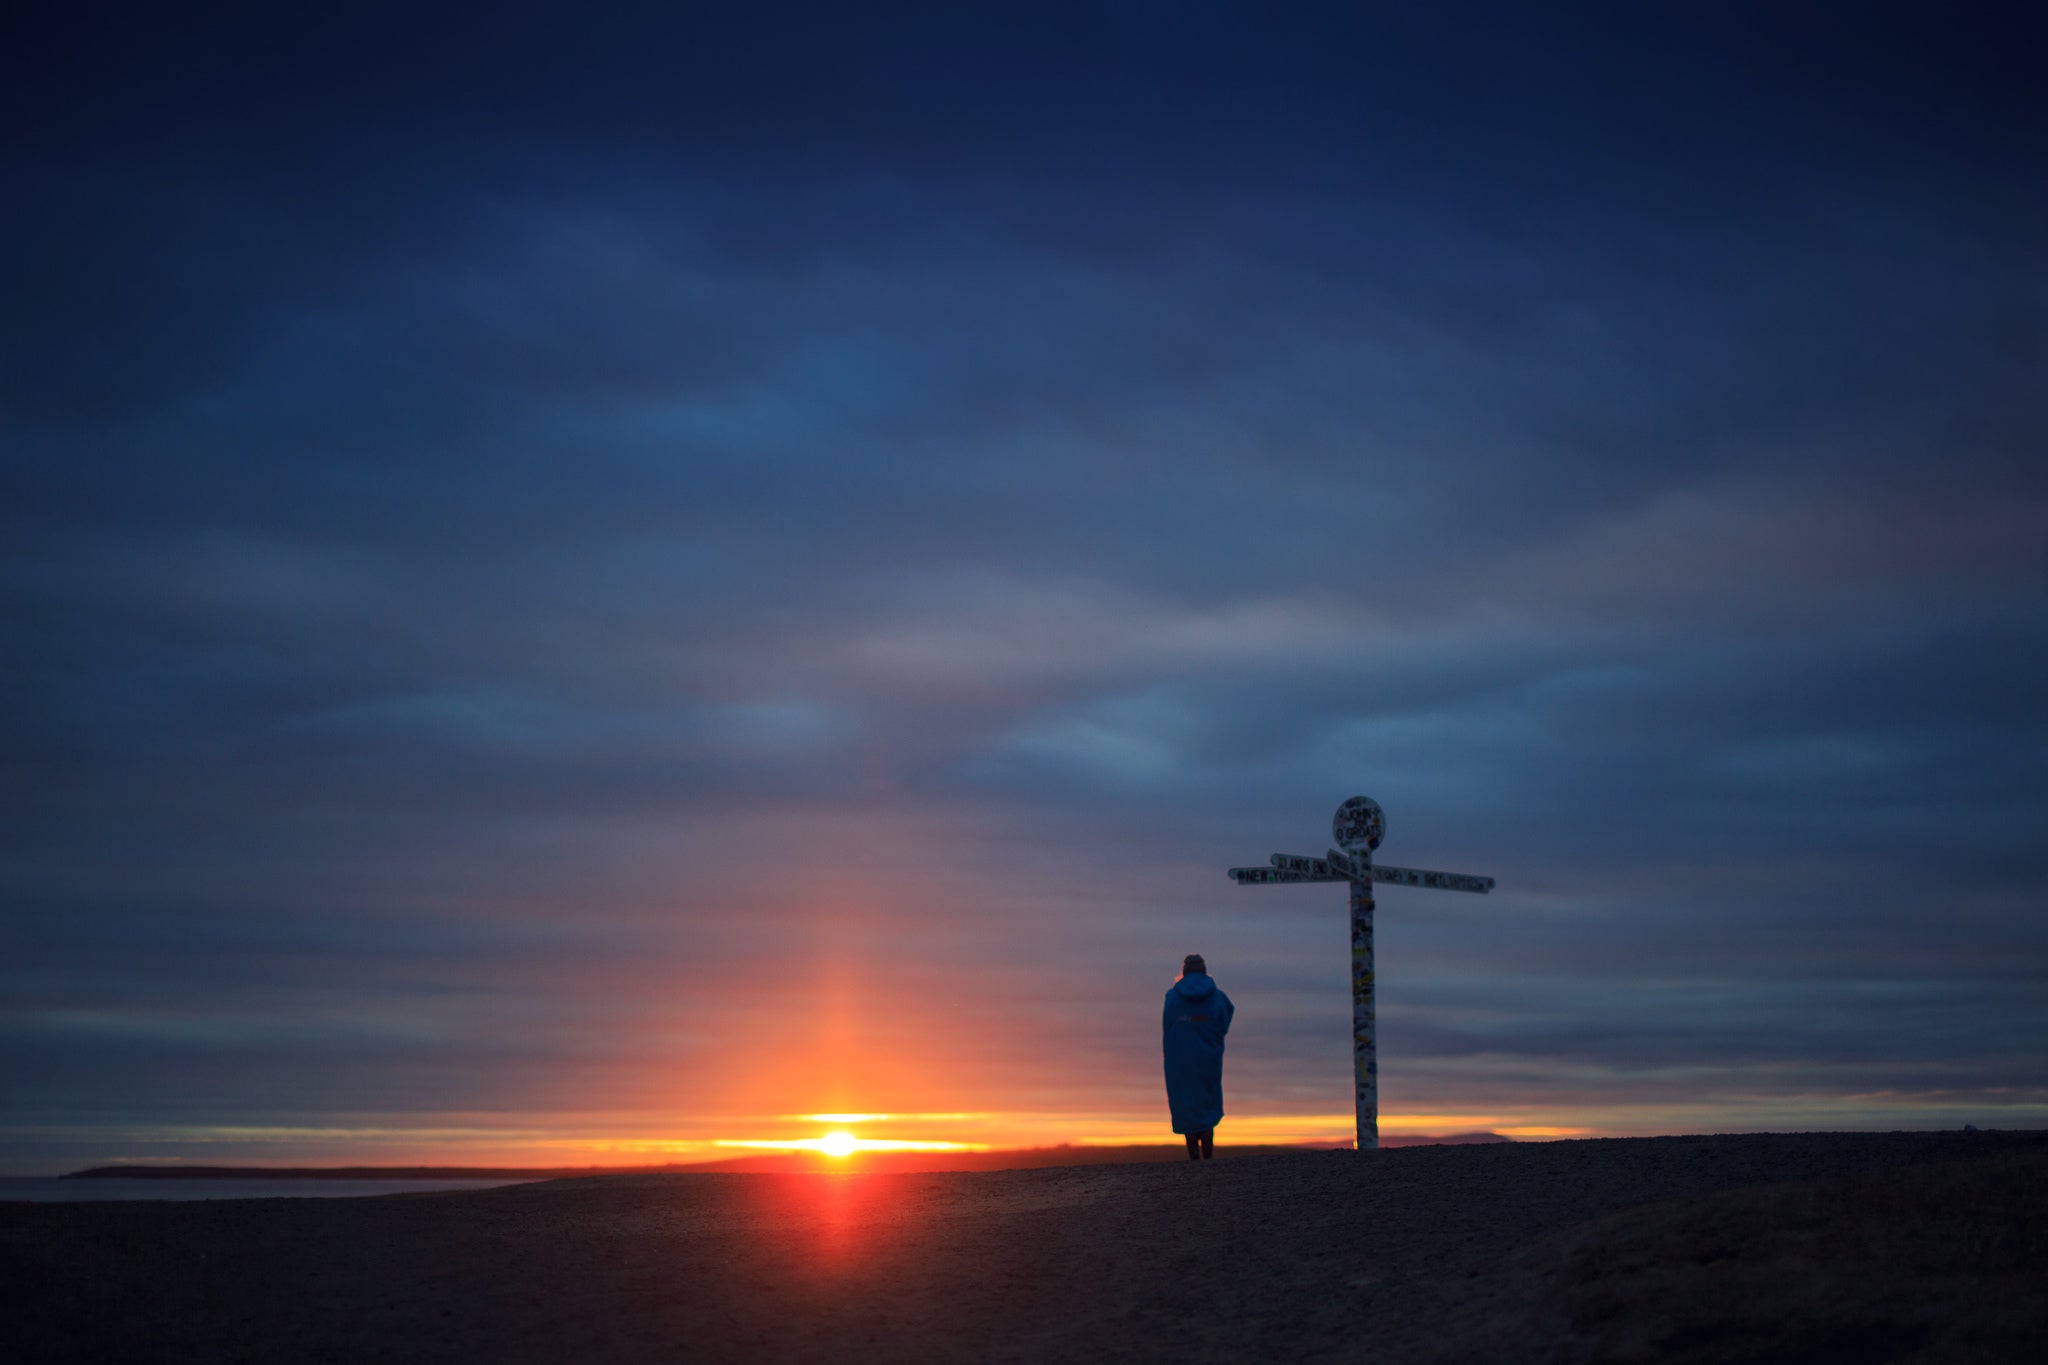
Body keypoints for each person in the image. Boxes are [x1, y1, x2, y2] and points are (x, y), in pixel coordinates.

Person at [1162, 953, 1234, 1160]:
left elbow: (1167, 1026)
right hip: (1208, 1057)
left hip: (1179, 1060)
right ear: (1204, 971)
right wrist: (1212, 1037)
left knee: (1185, 1101)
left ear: (1184, 973)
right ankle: (1208, 1156)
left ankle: (1193, 1156)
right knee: (1206, 1100)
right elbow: (1226, 1016)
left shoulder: (1172, 997)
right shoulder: (1218, 997)